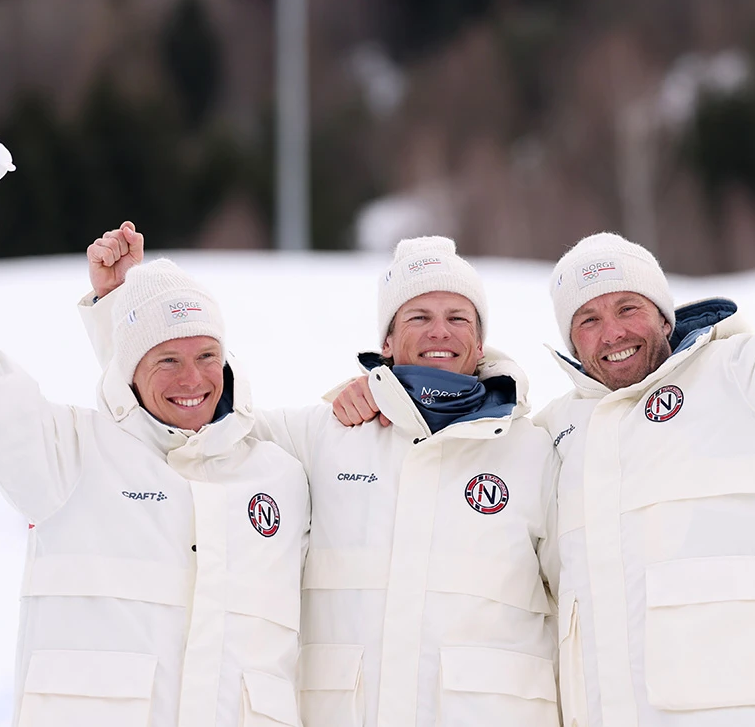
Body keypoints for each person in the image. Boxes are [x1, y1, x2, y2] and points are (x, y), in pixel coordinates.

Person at [334, 44, 755, 726]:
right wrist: (380, 394)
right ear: (570, 340)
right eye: (587, 319)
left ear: (665, 316)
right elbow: (453, 498)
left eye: (627, 307)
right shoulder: (551, 436)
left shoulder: (749, 382)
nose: (611, 331)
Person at [0, 105, 308, 727]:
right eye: (167, 360)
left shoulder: (277, 476)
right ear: (130, 369)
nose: (193, 379)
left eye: (207, 355)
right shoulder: (69, 457)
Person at [83, 236, 561, 727]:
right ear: (388, 343)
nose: (440, 331)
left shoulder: (534, 451)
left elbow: (578, 607)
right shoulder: (323, 436)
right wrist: (125, 312)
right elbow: (187, 415)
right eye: (418, 317)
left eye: (458, 318)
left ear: (480, 341)